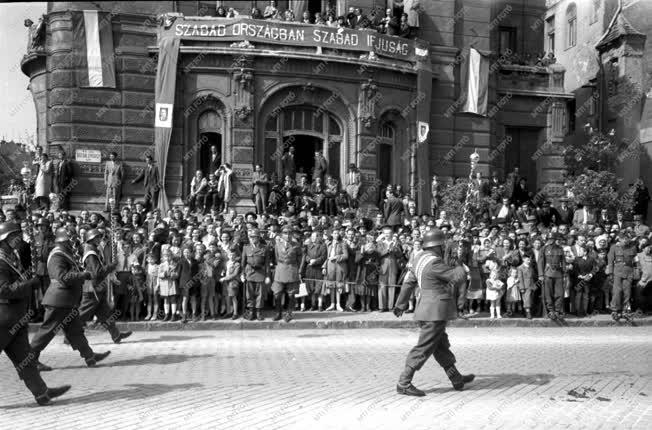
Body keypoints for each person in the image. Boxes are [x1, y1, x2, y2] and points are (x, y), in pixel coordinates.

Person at [393, 229, 474, 397]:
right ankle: (404, 382)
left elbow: (409, 283)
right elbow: (457, 278)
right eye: (442, 245)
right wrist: (459, 263)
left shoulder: (418, 260)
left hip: (425, 308)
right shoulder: (435, 262)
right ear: (437, 246)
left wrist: (400, 304)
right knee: (424, 347)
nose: (444, 248)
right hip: (436, 311)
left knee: (440, 346)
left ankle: (456, 378)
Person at [0, 222, 71, 405]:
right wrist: (28, 285)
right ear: (5, 239)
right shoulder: (0, 261)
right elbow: (4, 291)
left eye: (18, 234)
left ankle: (42, 393)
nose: (18, 239)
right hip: (3, 319)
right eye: (14, 235)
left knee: (26, 360)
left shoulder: (11, 257)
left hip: (16, 319)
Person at [30, 228, 111, 371]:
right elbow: (63, 278)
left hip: (66, 300)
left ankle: (89, 356)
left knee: (75, 330)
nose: (73, 242)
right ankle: (30, 360)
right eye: (71, 239)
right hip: (58, 300)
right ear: (64, 240)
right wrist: (84, 275)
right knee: (47, 331)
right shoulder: (57, 256)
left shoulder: (65, 254)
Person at [77, 228, 132, 343]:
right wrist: (111, 266)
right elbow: (97, 272)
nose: (99, 239)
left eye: (99, 237)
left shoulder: (94, 249)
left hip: (97, 287)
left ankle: (116, 335)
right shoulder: (91, 253)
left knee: (105, 314)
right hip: (92, 288)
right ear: (91, 239)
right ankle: (70, 336)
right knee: (83, 314)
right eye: (96, 237)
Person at [272, 225, 303, 322]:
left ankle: (289, 313)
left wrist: (300, 271)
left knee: (291, 294)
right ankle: (278, 312)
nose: (288, 235)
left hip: (292, 269)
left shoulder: (296, 245)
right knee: (277, 293)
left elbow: (300, 259)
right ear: (281, 234)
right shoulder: (277, 245)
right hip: (280, 270)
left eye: (290, 233)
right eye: (285, 233)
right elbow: (276, 258)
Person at [606, 232, 637, 320]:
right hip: (617, 272)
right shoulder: (614, 247)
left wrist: (637, 270)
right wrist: (611, 273)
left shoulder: (632, 247)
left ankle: (625, 310)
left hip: (629, 272)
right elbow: (610, 261)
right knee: (617, 291)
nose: (625, 240)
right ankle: (615, 310)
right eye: (624, 239)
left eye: (627, 239)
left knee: (627, 292)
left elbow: (635, 260)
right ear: (619, 239)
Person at [241, 228, 270, 321]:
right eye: (251, 237)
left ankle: (258, 312)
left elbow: (267, 263)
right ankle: (251, 312)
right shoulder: (246, 247)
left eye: (255, 237)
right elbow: (243, 262)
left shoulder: (265, 248)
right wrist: (242, 274)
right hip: (249, 272)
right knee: (249, 294)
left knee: (260, 294)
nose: (253, 238)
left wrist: (268, 276)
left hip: (260, 273)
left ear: (258, 237)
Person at [538, 232, 565, 320]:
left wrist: (564, 272)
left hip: (558, 273)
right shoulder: (544, 249)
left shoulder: (560, 249)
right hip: (548, 273)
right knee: (548, 293)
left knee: (559, 293)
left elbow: (563, 261)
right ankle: (550, 310)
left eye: (552, 239)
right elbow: (540, 262)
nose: (551, 241)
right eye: (549, 239)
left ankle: (557, 310)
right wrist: (541, 274)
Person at [323, 228, 348, 312]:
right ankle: (332, 304)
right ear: (332, 234)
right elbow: (325, 256)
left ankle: (338, 304)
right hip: (330, 265)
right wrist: (324, 267)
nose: (336, 235)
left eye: (337, 233)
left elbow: (346, 255)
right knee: (331, 285)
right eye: (334, 233)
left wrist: (337, 257)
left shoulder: (343, 243)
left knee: (339, 285)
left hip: (339, 266)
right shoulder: (328, 243)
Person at [517, 254, 537, 319]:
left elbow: (533, 277)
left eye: (530, 260)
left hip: (531, 286)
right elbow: (520, 278)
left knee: (531, 299)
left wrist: (534, 285)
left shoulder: (530, 267)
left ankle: (528, 312)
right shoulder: (520, 268)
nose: (529, 261)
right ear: (523, 259)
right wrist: (522, 287)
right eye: (527, 259)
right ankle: (528, 312)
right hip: (525, 286)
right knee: (526, 300)